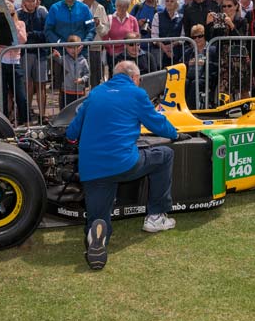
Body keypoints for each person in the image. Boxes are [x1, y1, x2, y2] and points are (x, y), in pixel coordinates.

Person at [65, 60, 180, 270]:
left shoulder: (96, 93)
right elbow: (157, 123)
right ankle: (156, 216)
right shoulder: (137, 94)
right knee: (164, 155)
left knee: (98, 216)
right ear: (135, 78)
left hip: (92, 169)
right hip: (123, 163)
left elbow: (72, 132)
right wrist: (176, 134)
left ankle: (97, 232)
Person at [0, 0, 28, 123]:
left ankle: (24, 121)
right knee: (2, 94)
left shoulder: (20, 24)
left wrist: (13, 25)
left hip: (14, 63)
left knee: (20, 95)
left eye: (11, 12)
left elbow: (22, 40)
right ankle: (4, 120)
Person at [211, 0, 251, 102]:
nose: (226, 9)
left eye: (229, 6)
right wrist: (209, 23)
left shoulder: (242, 21)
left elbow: (242, 40)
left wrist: (231, 25)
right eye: (224, 6)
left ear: (236, 6)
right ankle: (225, 112)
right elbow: (211, 38)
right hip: (224, 59)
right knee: (223, 89)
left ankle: (247, 111)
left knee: (243, 89)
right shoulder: (219, 20)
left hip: (239, 60)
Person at [18, 0, 49, 118]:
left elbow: (45, 33)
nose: (31, 3)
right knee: (27, 84)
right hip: (26, 53)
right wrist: (26, 16)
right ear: (24, 2)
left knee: (41, 85)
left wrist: (31, 34)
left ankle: (42, 115)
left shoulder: (42, 13)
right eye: (29, 1)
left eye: (34, 0)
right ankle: (27, 113)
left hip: (41, 53)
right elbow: (20, 34)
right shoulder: (19, 15)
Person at [81, 0, 109, 87]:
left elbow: (105, 30)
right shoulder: (79, 6)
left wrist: (99, 25)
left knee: (96, 78)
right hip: (81, 47)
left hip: (96, 47)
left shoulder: (100, 8)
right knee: (82, 79)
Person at [104, 0, 139, 73]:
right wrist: (110, 50)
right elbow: (105, 37)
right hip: (113, 55)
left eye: (124, 6)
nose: (121, 8)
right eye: (119, 6)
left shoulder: (133, 19)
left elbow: (137, 37)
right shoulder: (109, 18)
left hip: (129, 54)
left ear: (127, 7)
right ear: (116, 5)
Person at [153, 0, 184, 68]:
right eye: (167, 1)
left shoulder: (182, 17)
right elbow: (154, 36)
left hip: (177, 53)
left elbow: (183, 37)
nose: (169, 3)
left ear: (176, 3)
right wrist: (165, 49)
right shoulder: (157, 16)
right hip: (161, 53)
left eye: (172, 1)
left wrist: (172, 45)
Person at [61, 35, 89, 108]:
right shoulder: (64, 59)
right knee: (66, 110)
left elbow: (88, 74)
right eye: (70, 47)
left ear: (80, 48)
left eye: (75, 47)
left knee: (78, 110)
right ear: (66, 48)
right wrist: (53, 56)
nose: (72, 50)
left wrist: (82, 79)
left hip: (79, 91)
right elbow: (50, 59)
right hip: (66, 90)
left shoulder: (83, 61)